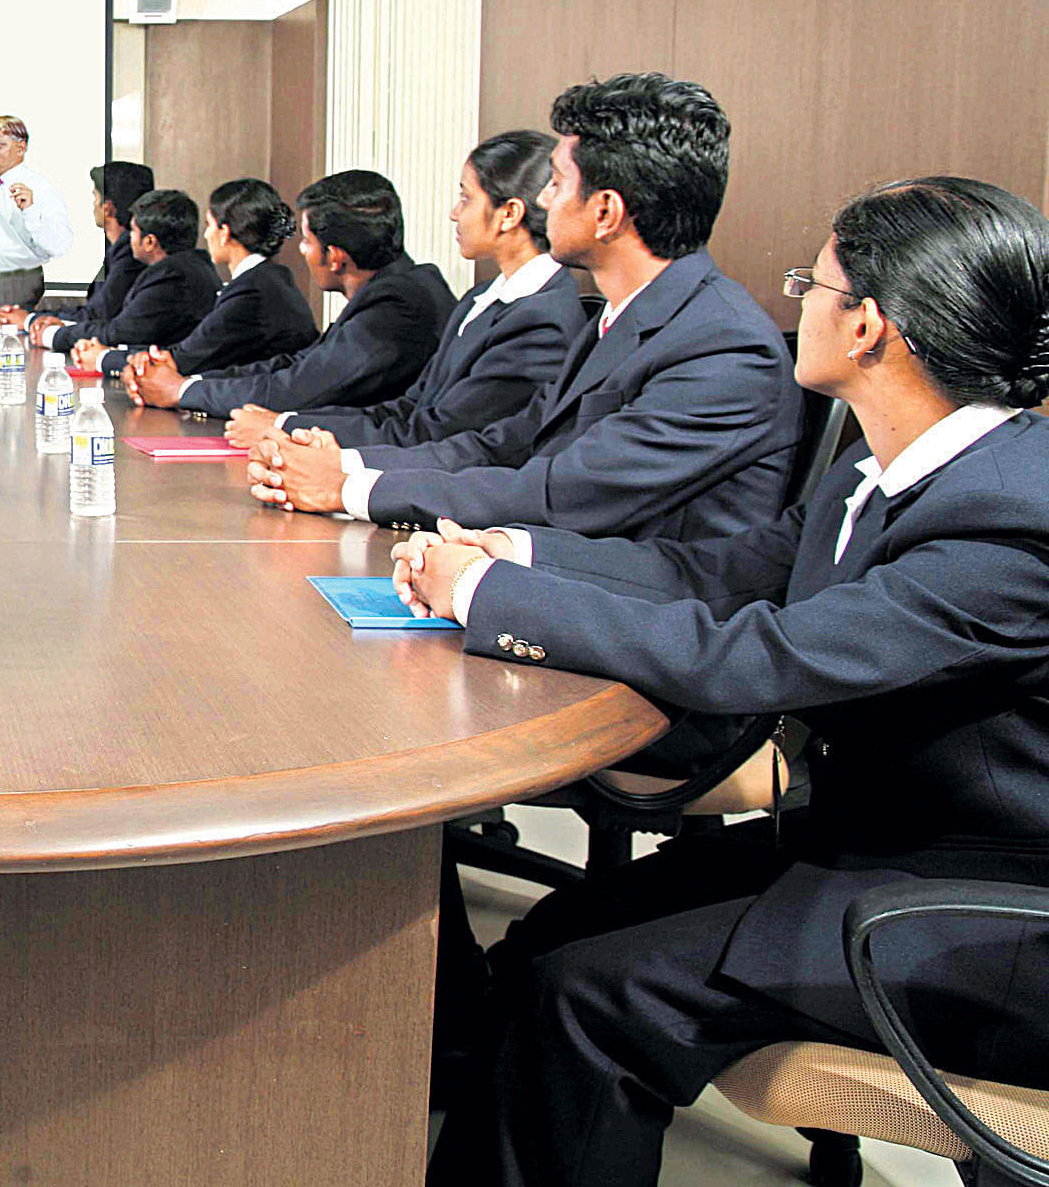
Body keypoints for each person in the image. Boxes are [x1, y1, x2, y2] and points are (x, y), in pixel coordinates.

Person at [402, 177, 1049, 1187]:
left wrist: (488, 599)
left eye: (811, 283)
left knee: (587, 998)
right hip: (870, 844)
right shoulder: (885, 464)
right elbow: (725, 570)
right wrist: (519, 557)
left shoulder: (1009, 518)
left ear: (870, 324)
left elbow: (765, 654)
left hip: (979, 918)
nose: (792, 301)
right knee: (547, 942)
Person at [243, 75, 801, 543]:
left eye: (558, 184)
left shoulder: (723, 345)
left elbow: (565, 490)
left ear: (606, 212)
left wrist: (347, 488)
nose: (543, 201)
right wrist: (345, 466)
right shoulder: (617, 315)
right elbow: (509, 441)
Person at [219, 133, 586, 451]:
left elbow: (438, 433)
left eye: (466, 198)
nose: (454, 213)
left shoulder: (541, 321)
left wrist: (284, 427)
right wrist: (289, 424)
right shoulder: (482, 296)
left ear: (508, 214)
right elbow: (410, 407)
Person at [124, 170, 455, 418]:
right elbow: (299, 363)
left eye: (308, 242)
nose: (301, 250)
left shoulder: (397, 305)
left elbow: (296, 388)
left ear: (336, 256)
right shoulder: (402, 287)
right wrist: (188, 380)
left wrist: (180, 390)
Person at [82, 176, 314, 379]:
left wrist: (103, 358)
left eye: (209, 225)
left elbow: (185, 359)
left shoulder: (253, 290)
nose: (205, 234)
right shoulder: (271, 279)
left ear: (224, 233)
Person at [46, 188, 217, 359]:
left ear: (149, 242)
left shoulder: (170, 276)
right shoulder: (194, 265)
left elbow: (120, 331)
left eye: (133, 231)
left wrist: (54, 335)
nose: (130, 238)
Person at [9, 161, 154, 345]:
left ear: (107, 207)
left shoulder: (131, 255)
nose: (93, 205)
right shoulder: (116, 248)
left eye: (95, 197)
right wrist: (36, 317)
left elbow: (98, 315)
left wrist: (30, 320)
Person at [0, 115, 73, 310]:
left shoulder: (39, 188)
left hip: (19, 282)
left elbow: (60, 245)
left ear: (20, 148)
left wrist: (30, 211)